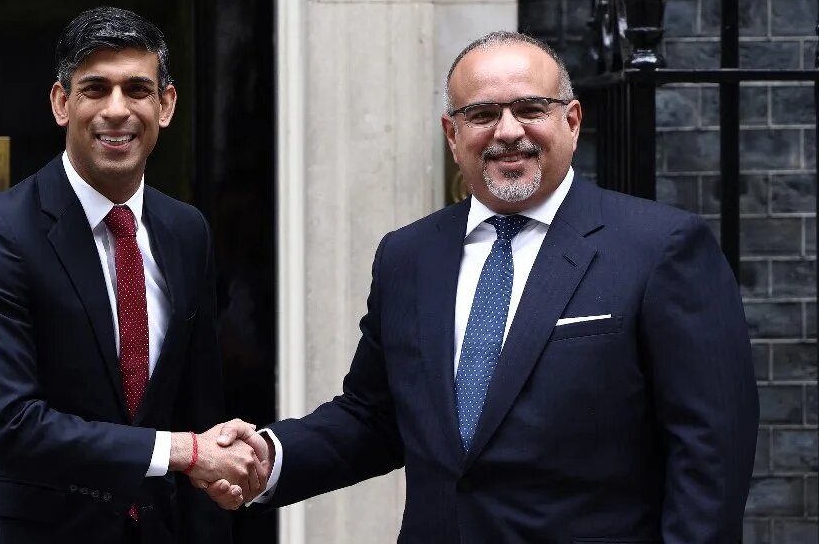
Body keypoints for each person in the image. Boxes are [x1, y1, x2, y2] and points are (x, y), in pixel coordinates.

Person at [213, 31, 760, 543]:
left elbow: (711, 449)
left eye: (529, 109)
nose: (507, 131)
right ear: (453, 134)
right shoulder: (409, 255)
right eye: (482, 114)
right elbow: (374, 416)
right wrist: (269, 456)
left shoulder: (660, 247)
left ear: (572, 120)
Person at [0, 6, 267, 544]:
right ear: (61, 103)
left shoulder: (187, 231)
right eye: (95, 88)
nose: (116, 110)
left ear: (165, 105)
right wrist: (184, 450)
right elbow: (11, 424)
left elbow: (200, 407)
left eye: (137, 90)